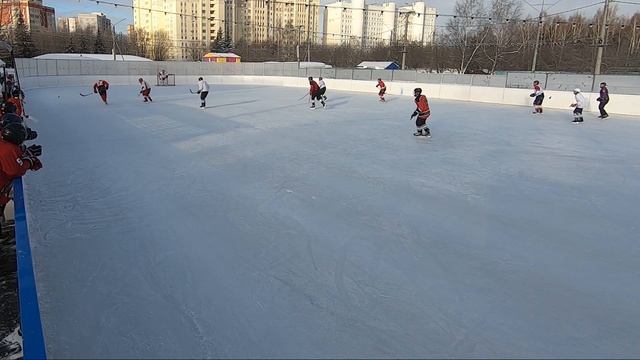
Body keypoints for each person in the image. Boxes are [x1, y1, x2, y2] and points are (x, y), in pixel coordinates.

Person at [0, 123, 42, 225]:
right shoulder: (8, 149)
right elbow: (16, 170)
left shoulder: (4, 144)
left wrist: (26, 154)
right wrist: (29, 161)